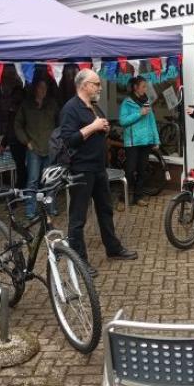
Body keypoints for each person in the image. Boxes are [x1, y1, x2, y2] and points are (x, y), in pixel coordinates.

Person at [60, 69, 138, 278]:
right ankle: (79, 261)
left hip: (98, 168)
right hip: (81, 169)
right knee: (78, 218)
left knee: (105, 210)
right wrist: (93, 127)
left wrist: (102, 126)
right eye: (96, 84)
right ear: (84, 85)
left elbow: (98, 126)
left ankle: (113, 248)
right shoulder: (71, 108)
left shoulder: (93, 106)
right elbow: (68, 139)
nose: (99, 87)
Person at [14, 78, 58, 218]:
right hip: (34, 149)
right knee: (32, 181)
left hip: (49, 148)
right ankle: (30, 211)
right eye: (40, 88)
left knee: (50, 181)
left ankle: (50, 208)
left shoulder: (52, 104)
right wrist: (26, 141)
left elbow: (61, 123)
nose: (43, 91)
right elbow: (17, 125)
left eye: (45, 88)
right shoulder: (26, 105)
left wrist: (56, 140)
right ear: (35, 89)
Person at [119, 76, 159, 207]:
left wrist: (156, 140)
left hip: (145, 142)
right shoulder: (127, 103)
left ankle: (138, 197)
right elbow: (123, 121)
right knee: (129, 171)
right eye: (143, 86)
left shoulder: (146, 101)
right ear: (135, 87)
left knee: (142, 171)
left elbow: (152, 122)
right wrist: (139, 113)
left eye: (146, 86)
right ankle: (122, 199)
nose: (145, 89)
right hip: (132, 143)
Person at [3, 86, 27, 189]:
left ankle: (20, 187)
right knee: (21, 167)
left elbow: (10, 128)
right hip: (16, 141)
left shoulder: (17, 110)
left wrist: (4, 143)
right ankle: (21, 188)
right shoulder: (14, 110)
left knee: (21, 167)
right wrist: (3, 143)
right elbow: (10, 127)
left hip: (20, 141)